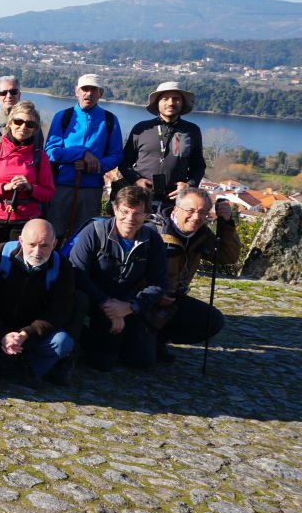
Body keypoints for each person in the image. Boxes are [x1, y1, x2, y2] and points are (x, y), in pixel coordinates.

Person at [0, 219, 79, 385]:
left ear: (54, 244)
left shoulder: (63, 267)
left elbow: (60, 312)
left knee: (62, 343)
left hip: (34, 332)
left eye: (44, 246)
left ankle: (30, 369)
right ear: (21, 241)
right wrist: (2, 334)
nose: (37, 252)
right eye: (32, 244)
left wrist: (26, 334)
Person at [69, 185, 168, 372]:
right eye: (125, 211)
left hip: (128, 303)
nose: (130, 218)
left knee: (142, 362)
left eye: (137, 213)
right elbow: (77, 274)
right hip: (95, 300)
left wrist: (130, 307)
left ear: (147, 215)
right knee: (103, 363)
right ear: (115, 209)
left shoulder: (153, 240)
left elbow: (159, 283)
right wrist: (107, 304)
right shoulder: (93, 232)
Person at [149, 189, 239, 358]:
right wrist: (155, 293)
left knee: (212, 320)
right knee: (139, 360)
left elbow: (227, 256)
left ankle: (159, 338)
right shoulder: (154, 231)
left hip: (173, 299)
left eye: (203, 212)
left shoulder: (202, 234)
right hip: (143, 299)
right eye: (190, 211)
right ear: (176, 209)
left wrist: (226, 224)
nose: (196, 217)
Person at [45, 74, 123, 239]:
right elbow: (51, 151)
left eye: (93, 90)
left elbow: (116, 155)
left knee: (84, 237)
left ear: (101, 93)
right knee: (53, 235)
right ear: (77, 91)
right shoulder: (63, 117)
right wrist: (81, 154)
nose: (88, 93)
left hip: (91, 189)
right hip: (61, 187)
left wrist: (94, 165)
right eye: (85, 89)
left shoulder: (110, 120)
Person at [120, 81, 207, 211]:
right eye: (165, 99)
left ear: (182, 103)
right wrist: (136, 180)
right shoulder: (142, 128)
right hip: (139, 197)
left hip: (174, 200)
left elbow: (198, 165)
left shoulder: (192, 130)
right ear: (157, 103)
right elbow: (124, 161)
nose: (171, 103)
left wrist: (189, 185)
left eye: (176, 99)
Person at [0, 100, 54, 241]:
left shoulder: (40, 156)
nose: (23, 127)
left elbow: (48, 193)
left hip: (26, 220)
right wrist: (5, 187)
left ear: (35, 129)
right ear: (10, 123)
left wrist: (29, 187)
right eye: (18, 121)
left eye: (30, 124)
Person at [0, 75, 32, 141]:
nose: (9, 96)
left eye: (13, 92)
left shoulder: (31, 122)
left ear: (19, 95)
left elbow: (38, 145)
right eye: (3, 93)